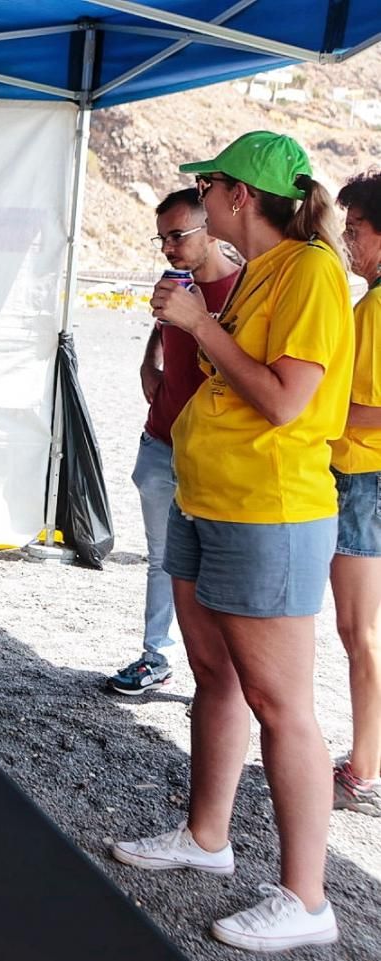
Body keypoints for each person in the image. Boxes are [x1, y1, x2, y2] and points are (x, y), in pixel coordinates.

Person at [111, 132, 351, 951]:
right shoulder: (260, 274)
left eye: (208, 188)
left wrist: (200, 329)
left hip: (269, 509)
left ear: (238, 196)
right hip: (210, 496)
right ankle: (207, 835)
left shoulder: (314, 272)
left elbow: (287, 402)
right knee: (213, 671)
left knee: (283, 705)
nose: (201, 201)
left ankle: (306, 897)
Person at [107, 189, 240, 695]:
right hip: (161, 443)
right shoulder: (175, 283)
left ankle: (220, 681)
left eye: (178, 235)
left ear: (212, 227)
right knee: (164, 559)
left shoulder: (243, 289)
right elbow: (162, 329)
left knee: (218, 567)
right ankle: (156, 655)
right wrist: (150, 361)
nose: (167, 246)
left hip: (211, 455)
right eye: (162, 237)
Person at [328, 169, 381, 817]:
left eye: (359, 229)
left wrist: (319, 409)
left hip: (361, 480)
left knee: (357, 627)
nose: (347, 238)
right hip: (358, 477)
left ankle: (364, 765)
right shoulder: (369, 301)